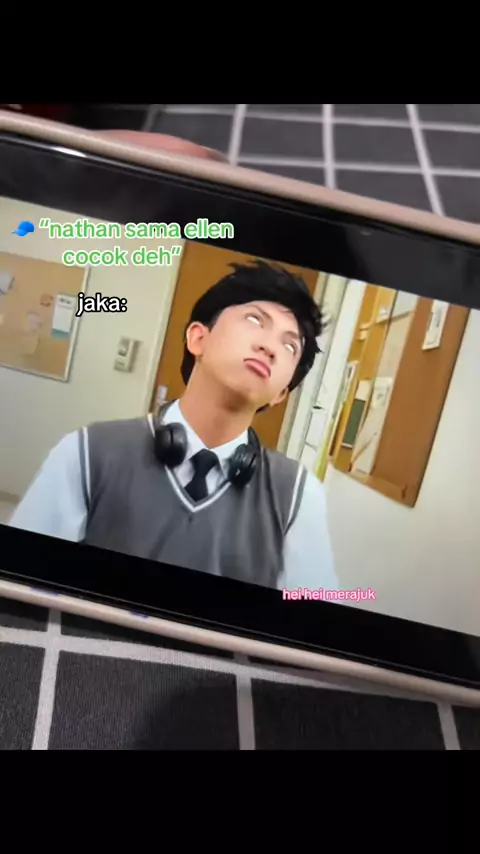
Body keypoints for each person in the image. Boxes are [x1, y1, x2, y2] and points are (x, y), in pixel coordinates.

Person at [8, 129, 339, 592]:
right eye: (255, 320)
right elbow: (19, 583)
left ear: (282, 392)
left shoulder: (300, 495)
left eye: (290, 346)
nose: (269, 346)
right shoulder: (86, 452)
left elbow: (317, 614)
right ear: (198, 337)